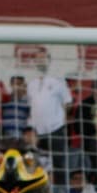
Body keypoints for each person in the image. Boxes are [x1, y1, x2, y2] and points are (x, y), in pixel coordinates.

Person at [27, 52, 74, 181]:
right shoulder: (32, 84)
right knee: (38, 165)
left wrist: (61, 121)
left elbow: (68, 102)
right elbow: (32, 106)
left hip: (56, 129)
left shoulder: (58, 80)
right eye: (38, 58)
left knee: (59, 165)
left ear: (49, 61)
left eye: (43, 58)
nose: (40, 61)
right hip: (38, 131)